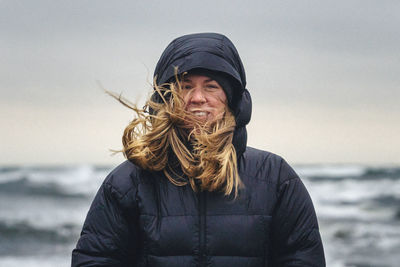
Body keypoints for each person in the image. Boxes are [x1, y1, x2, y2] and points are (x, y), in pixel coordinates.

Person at [72, 33, 325, 267]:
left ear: (233, 99)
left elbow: (303, 258)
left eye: (211, 86)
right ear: (166, 98)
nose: (198, 97)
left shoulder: (275, 177)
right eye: (185, 86)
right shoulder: (129, 181)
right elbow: (95, 259)